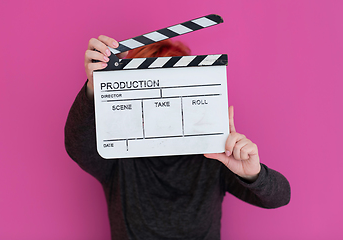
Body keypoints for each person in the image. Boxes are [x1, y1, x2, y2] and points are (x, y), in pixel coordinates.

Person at [65, 35, 291, 240]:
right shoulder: (119, 156)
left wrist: (254, 174)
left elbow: (279, 197)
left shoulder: (214, 155)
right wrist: (95, 86)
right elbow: (77, 144)